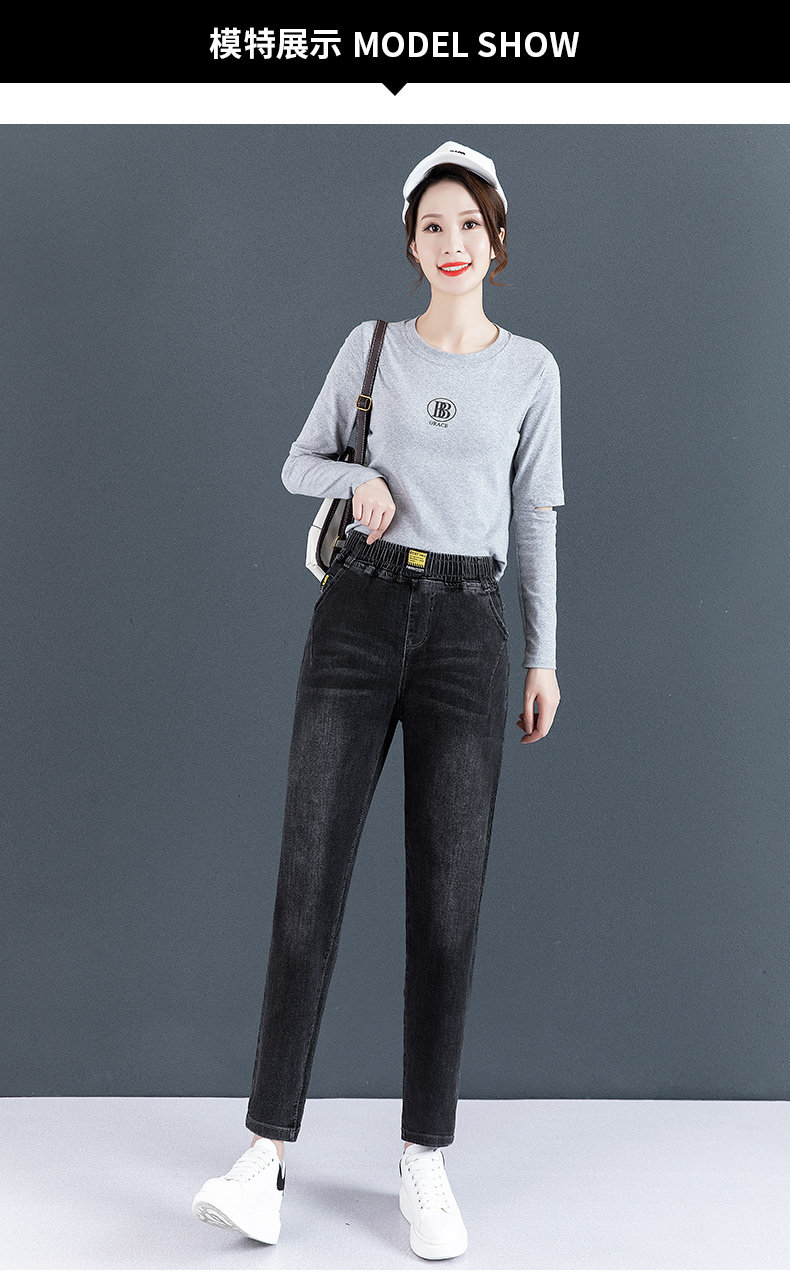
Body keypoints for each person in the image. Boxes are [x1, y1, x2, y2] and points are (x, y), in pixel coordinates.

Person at [192, 139, 565, 1260]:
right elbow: (298, 461)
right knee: (307, 885)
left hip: (467, 632)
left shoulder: (532, 372)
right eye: (432, 226)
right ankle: (264, 1157)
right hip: (356, 619)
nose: (452, 243)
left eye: (469, 225)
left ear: (497, 239)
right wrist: (358, 477)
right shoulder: (370, 350)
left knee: (447, 905)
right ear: (411, 243)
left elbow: (533, 516)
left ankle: (424, 1159)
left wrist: (544, 656)